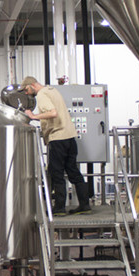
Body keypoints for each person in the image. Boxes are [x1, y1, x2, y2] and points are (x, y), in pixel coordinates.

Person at [21, 76, 91, 215]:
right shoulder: (53, 90)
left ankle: (59, 208)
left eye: (26, 90)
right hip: (70, 137)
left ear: (32, 85)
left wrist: (33, 116)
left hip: (58, 138)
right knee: (73, 172)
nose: (26, 93)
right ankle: (85, 205)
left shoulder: (42, 94)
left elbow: (53, 113)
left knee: (56, 173)